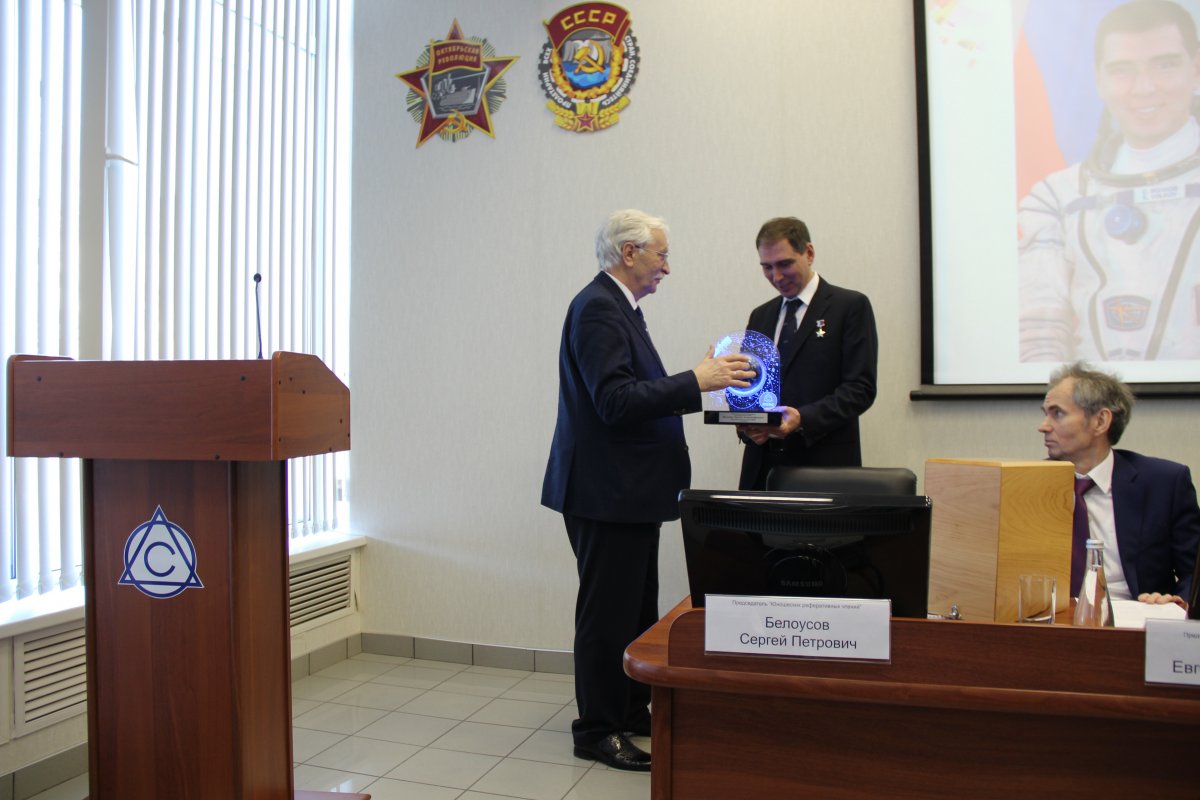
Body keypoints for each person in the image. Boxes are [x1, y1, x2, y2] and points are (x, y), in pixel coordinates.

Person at [541, 209, 752, 771]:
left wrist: (694, 379)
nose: (667, 267)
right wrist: (695, 382)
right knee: (607, 614)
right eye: (662, 254)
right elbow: (614, 402)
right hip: (605, 494)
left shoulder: (620, 308)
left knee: (636, 609)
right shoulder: (598, 308)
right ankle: (597, 730)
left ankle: (632, 709)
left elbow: (634, 393)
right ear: (629, 253)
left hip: (628, 494)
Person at [1019, 0, 1200, 362]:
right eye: (1122, 70)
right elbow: (1039, 335)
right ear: (1099, 80)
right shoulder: (1056, 198)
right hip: (1093, 396)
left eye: (1164, 65)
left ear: (1196, 70)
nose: (1144, 88)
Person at [1038, 361, 1200, 607]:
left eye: (1057, 413)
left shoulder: (1164, 483)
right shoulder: (1028, 485)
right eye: (1045, 413)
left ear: (1100, 421)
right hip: (1056, 619)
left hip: (1139, 619)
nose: (1044, 426)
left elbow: (1194, 574)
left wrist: (1179, 603)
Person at [735, 216, 878, 490]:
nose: (776, 277)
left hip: (823, 468)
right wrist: (747, 422)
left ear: (809, 253)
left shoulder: (850, 307)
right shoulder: (761, 316)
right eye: (767, 267)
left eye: (784, 264)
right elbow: (749, 387)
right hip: (762, 470)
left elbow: (860, 389)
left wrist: (802, 419)